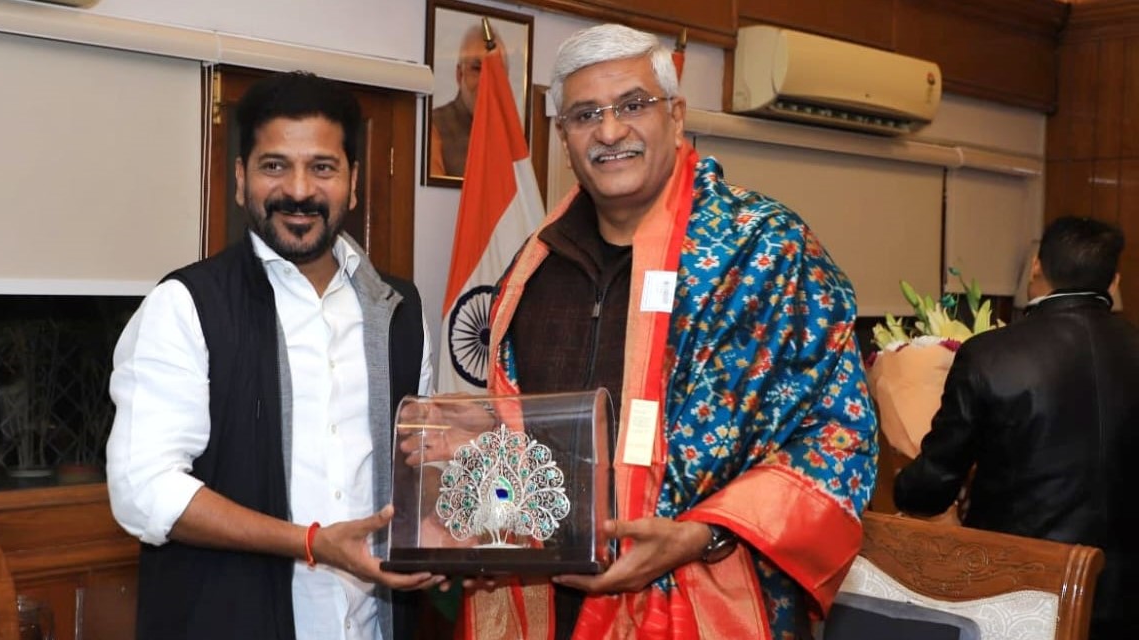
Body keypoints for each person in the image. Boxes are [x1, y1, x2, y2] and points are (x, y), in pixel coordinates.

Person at [466, 23, 879, 639]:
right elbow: (513, 434)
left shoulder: (763, 252)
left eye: (633, 105)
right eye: (585, 115)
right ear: (563, 136)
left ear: (676, 115)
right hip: (549, 605)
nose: (610, 132)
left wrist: (700, 535)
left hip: (708, 597)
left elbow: (840, 435)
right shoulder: (533, 269)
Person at [105, 71, 440, 640]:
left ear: (354, 184)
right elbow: (145, 492)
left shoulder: (400, 311)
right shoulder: (185, 307)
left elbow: (423, 463)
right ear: (240, 179)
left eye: (323, 167)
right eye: (275, 165)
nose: (300, 190)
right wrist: (313, 545)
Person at [895, 216, 1138, 639]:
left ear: (1038, 268)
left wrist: (905, 484)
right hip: (1128, 592)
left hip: (1024, 584)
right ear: (1114, 280)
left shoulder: (991, 355)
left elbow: (933, 486)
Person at [428, 25, 505, 178]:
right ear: (459, 74)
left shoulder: (511, 137)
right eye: (476, 69)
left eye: (496, 71)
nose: (486, 82)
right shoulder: (434, 127)